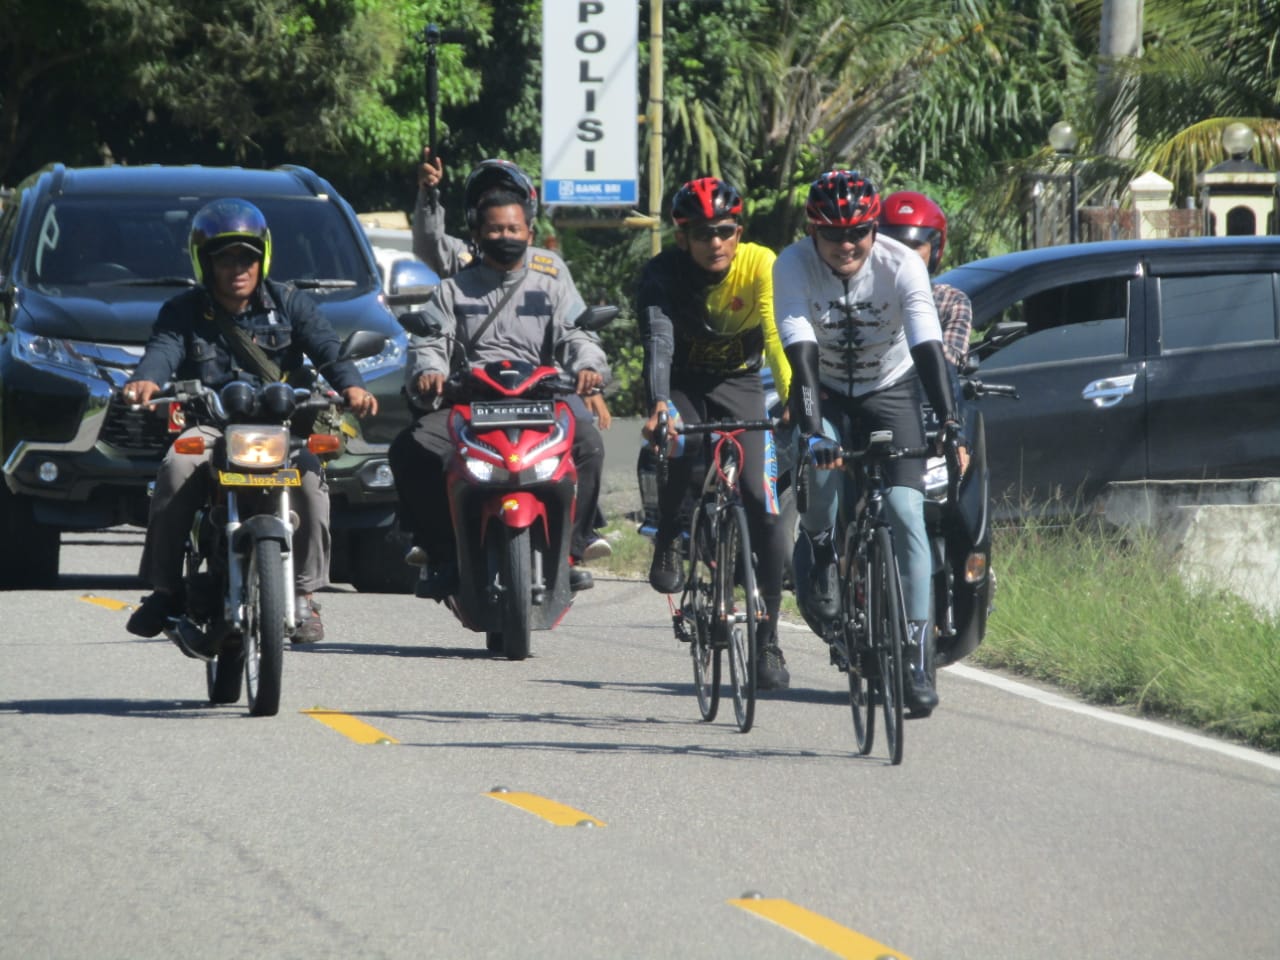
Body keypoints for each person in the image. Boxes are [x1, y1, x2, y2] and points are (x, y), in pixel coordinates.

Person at [123, 198, 379, 644]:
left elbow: (327, 348)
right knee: (176, 468)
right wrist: (147, 380)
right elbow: (162, 351)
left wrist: (352, 386)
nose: (237, 268)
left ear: (263, 257)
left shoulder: (290, 303)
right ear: (206, 263)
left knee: (313, 483)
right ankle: (164, 589)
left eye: (247, 257)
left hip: (280, 430)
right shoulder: (183, 311)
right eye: (225, 258)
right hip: (213, 426)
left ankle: (303, 594)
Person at [774, 170, 960, 712]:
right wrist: (811, 435)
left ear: (875, 228)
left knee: (906, 510)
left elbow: (928, 343)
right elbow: (800, 354)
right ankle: (823, 550)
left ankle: (916, 656)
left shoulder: (901, 264)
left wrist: (947, 421)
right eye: (833, 234)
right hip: (824, 388)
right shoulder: (793, 266)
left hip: (890, 387)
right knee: (825, 480)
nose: (847, 244)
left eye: (859, 231)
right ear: (813, 232)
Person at [390, 159, 610, 599]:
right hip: (470, 401)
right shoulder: (453, 287)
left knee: (589, 443)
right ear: (475, 230)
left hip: (542, 398)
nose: (504, 238)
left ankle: (573, 545)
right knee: (411, 449)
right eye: (494, 230)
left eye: (513, 230)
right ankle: (440, 550)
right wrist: (430, 371)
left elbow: (576, 334)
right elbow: (432, 340)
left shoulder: (551, 279)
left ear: (529, 229)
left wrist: (589, 367)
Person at [637, 177, 794, 690]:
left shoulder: (760, 263)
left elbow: (773, 332)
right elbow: (658, 342)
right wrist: (660, 403)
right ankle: (669, 537)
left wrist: (793, 396)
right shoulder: (661, 274)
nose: (716, 243)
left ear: (739, 232)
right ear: (682, 237)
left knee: (764, 506)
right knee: (682, 445)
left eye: (726, 231)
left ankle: (768, 638)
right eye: (703, 233)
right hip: (681, 383)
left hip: (739, 382)